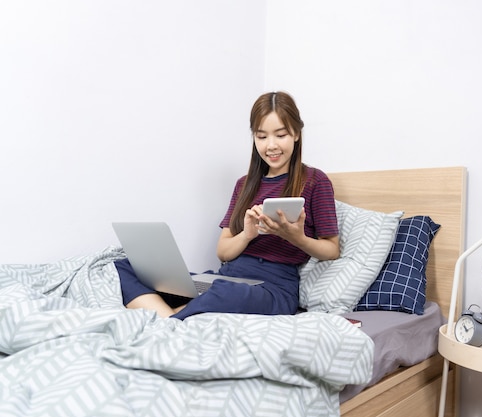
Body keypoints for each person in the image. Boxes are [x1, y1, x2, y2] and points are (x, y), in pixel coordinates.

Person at [116, 91, 340, 319]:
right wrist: (247, 235)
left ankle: (163, 317)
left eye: (280, 135)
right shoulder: (244, 185)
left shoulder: (314, 181)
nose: (271, 145)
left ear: (295, 133)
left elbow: (332, 250)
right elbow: (223, 252)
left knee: (225, 292)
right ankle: (169, 318)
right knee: (125, 266)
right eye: (261, 137)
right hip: (225, 278)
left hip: (273, 288)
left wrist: (295, 237)